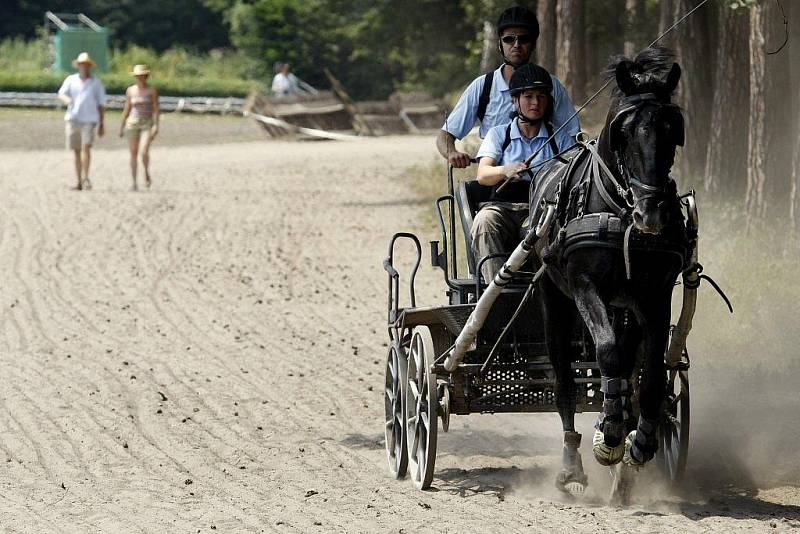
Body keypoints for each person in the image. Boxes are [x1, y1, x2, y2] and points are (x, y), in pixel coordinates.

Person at [436, 5, 580, 168]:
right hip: (496, 179)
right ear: (500, 44)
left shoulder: (552, 85)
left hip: (547, 181)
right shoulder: (483, 86)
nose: (516, 45)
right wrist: (452, 153)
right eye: (509, 39)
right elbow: (445, 135)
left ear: (533, 44)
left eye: (524, 39)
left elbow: (573, 135)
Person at [472, 63, 576, 281]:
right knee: (484, 221)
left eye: (541, 96)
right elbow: (483, 175)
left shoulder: (560, 139)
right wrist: (506, 169)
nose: (536, 103)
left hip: (541, 213)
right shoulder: (499, 135)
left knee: (547, 230)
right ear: (515, 100)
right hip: (502, 209)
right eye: (528, 96)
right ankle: (496, 293)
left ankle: (545, 291)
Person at [57, 52, 107, 190]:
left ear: (89, 66)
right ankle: (78, 179)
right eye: (82, 65)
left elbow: (101, 103)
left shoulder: (96, 83)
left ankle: (86, 177)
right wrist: (67, 100)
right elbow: (61, 93)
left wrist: (102, 123)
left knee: (86, 147)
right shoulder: (71, 80)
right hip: (73, 119)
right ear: (78, 66)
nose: (84, 67)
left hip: (89, 120)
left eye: (86, 65)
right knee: (76, 150)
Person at [119, 64, 160, 190]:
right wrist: (122, 125)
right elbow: (127, 108)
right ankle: (134, 181)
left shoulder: (151, 90)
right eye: (138, 76)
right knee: (133, 153)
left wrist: (156, 125)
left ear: (146, 76)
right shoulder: (131, 90)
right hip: (132, 122)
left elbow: (156, 109)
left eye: (142, 76)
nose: (140, 78)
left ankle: (146, 172)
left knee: (144, 151)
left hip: (147, 122)